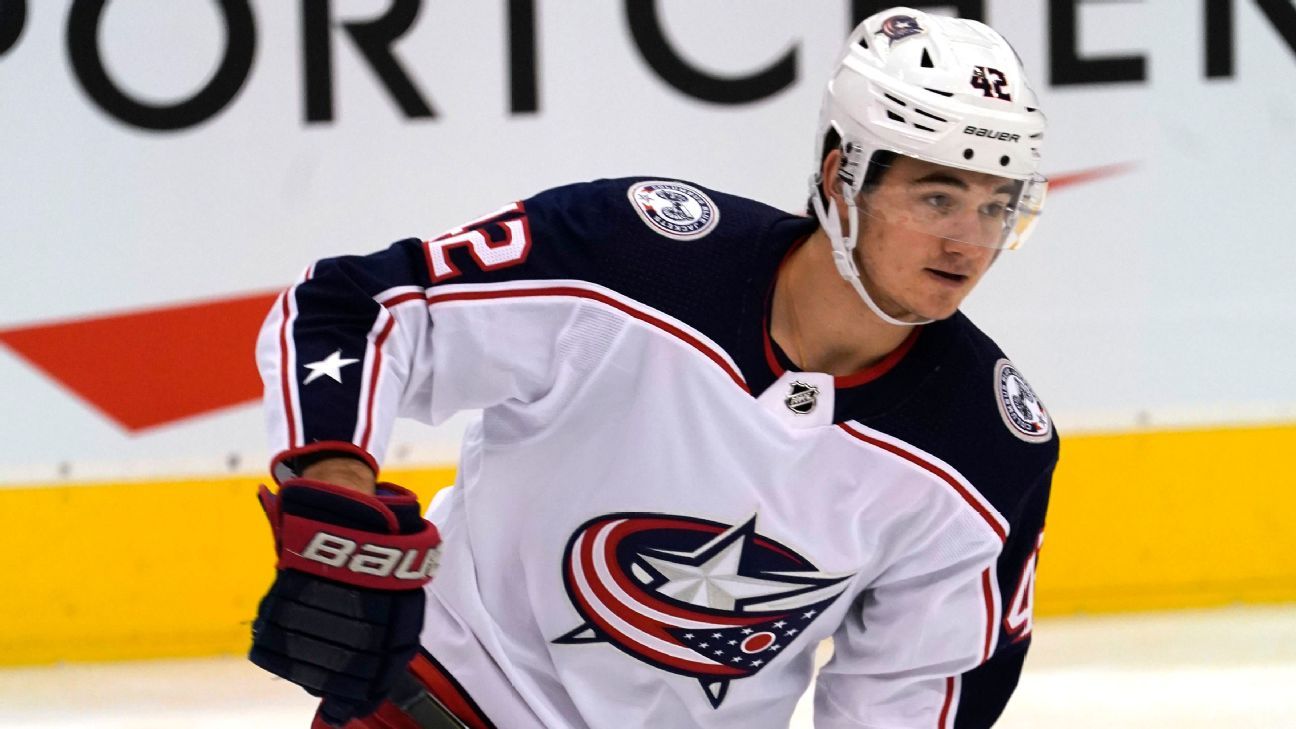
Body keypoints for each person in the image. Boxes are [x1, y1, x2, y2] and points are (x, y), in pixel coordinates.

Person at [248, 7, 1057, 728]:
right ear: (839, 177)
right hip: (439, 703)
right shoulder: (629, 258)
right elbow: (357, 307)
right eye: (937, 197)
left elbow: (914, 696)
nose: (968, 243)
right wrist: (335, 484)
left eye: (996, 206)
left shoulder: (986, 449)